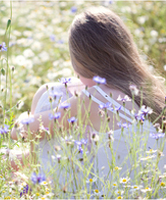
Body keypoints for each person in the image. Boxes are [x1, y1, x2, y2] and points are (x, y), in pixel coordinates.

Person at [10, 6, 166, 197]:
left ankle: (33, 187)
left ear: (82, 61)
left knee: (49, 94)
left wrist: (24, 116)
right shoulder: (151, 92)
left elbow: (21, 132)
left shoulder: (93, 99)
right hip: (149, 192)